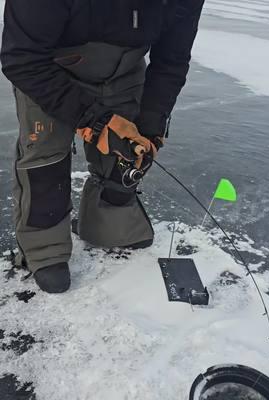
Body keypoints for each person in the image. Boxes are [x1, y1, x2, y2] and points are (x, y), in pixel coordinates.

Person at [0, 0, 205, 294]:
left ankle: (108, 225)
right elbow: (22, 58)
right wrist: (94, 122)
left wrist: (151, 125)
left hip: (124, 70)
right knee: (45, 157)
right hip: (46, 68)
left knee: (130, 154)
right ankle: (44, 248)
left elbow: (171, 61)